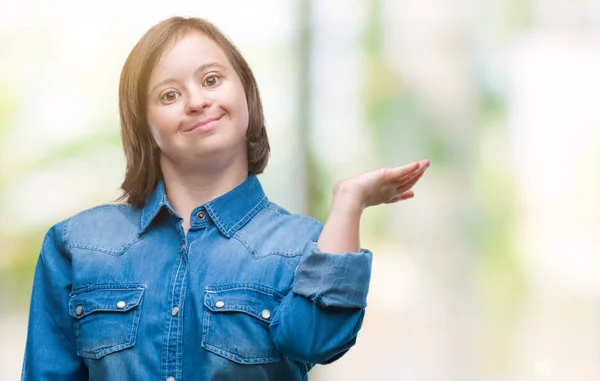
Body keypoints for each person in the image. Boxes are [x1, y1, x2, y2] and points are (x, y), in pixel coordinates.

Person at [21, 16, 429, 381]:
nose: (197, 101)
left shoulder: (303, 247)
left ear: (246, 94)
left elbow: (319, 342)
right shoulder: (77, 245)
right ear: (144, 125)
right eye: (169, 95)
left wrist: (348, 200)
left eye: (212, 79)